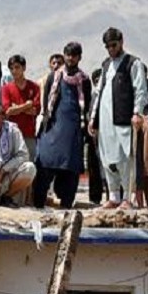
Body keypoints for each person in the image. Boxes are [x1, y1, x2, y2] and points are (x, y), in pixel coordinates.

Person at [88, 27, 148, 209]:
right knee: (108, 159)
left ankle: (127, 199)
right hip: (106, 119)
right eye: (107, 47)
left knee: (125, 159)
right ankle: (113, 196)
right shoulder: (106, 64)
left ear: (121, 42)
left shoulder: (133, 63)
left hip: (123, 119)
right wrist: (93, 118)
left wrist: (137, 113)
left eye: (113, 45)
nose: (111, 49)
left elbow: (140, 90)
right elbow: (98, 93)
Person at [34, 41, 92, 209]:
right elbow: (46, 103)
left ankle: (67, 206)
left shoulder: (84, 80)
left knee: (70, 168)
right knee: (45, 164)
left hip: (73, 130)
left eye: (74, 55)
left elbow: (86, 105)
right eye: (67, 54)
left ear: (79, 57)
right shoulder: (54, 76)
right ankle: (38, 204)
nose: (70, 58)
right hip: (52, 129)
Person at [1, 54, 41, 165]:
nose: (14, 71)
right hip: (11, 134)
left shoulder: (34, 87)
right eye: (11, 68)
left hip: (29, 133)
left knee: (29, 165)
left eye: (17, 67)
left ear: (24, 68)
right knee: (11, 165)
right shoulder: (6, 89)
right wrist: (26, 105)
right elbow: (8, 111)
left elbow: (35, 110)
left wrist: (16, 108)